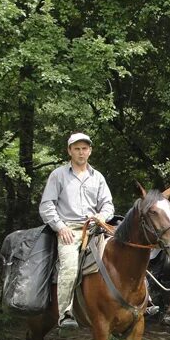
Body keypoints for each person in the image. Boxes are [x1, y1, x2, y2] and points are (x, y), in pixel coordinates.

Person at [39, 132, 115, 328]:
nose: (81, 152)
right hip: (70, 230)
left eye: (84, 149)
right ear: (69, 151)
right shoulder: (58, 175)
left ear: (90, 151)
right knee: (70, 267)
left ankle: (139, 304)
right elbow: (47, 205)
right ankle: (66, 313)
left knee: (125, 253)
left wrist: (102, 216)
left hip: (96, 228)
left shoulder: (97, 177)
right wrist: (60, 226)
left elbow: (108, 205)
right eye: (77, 149)